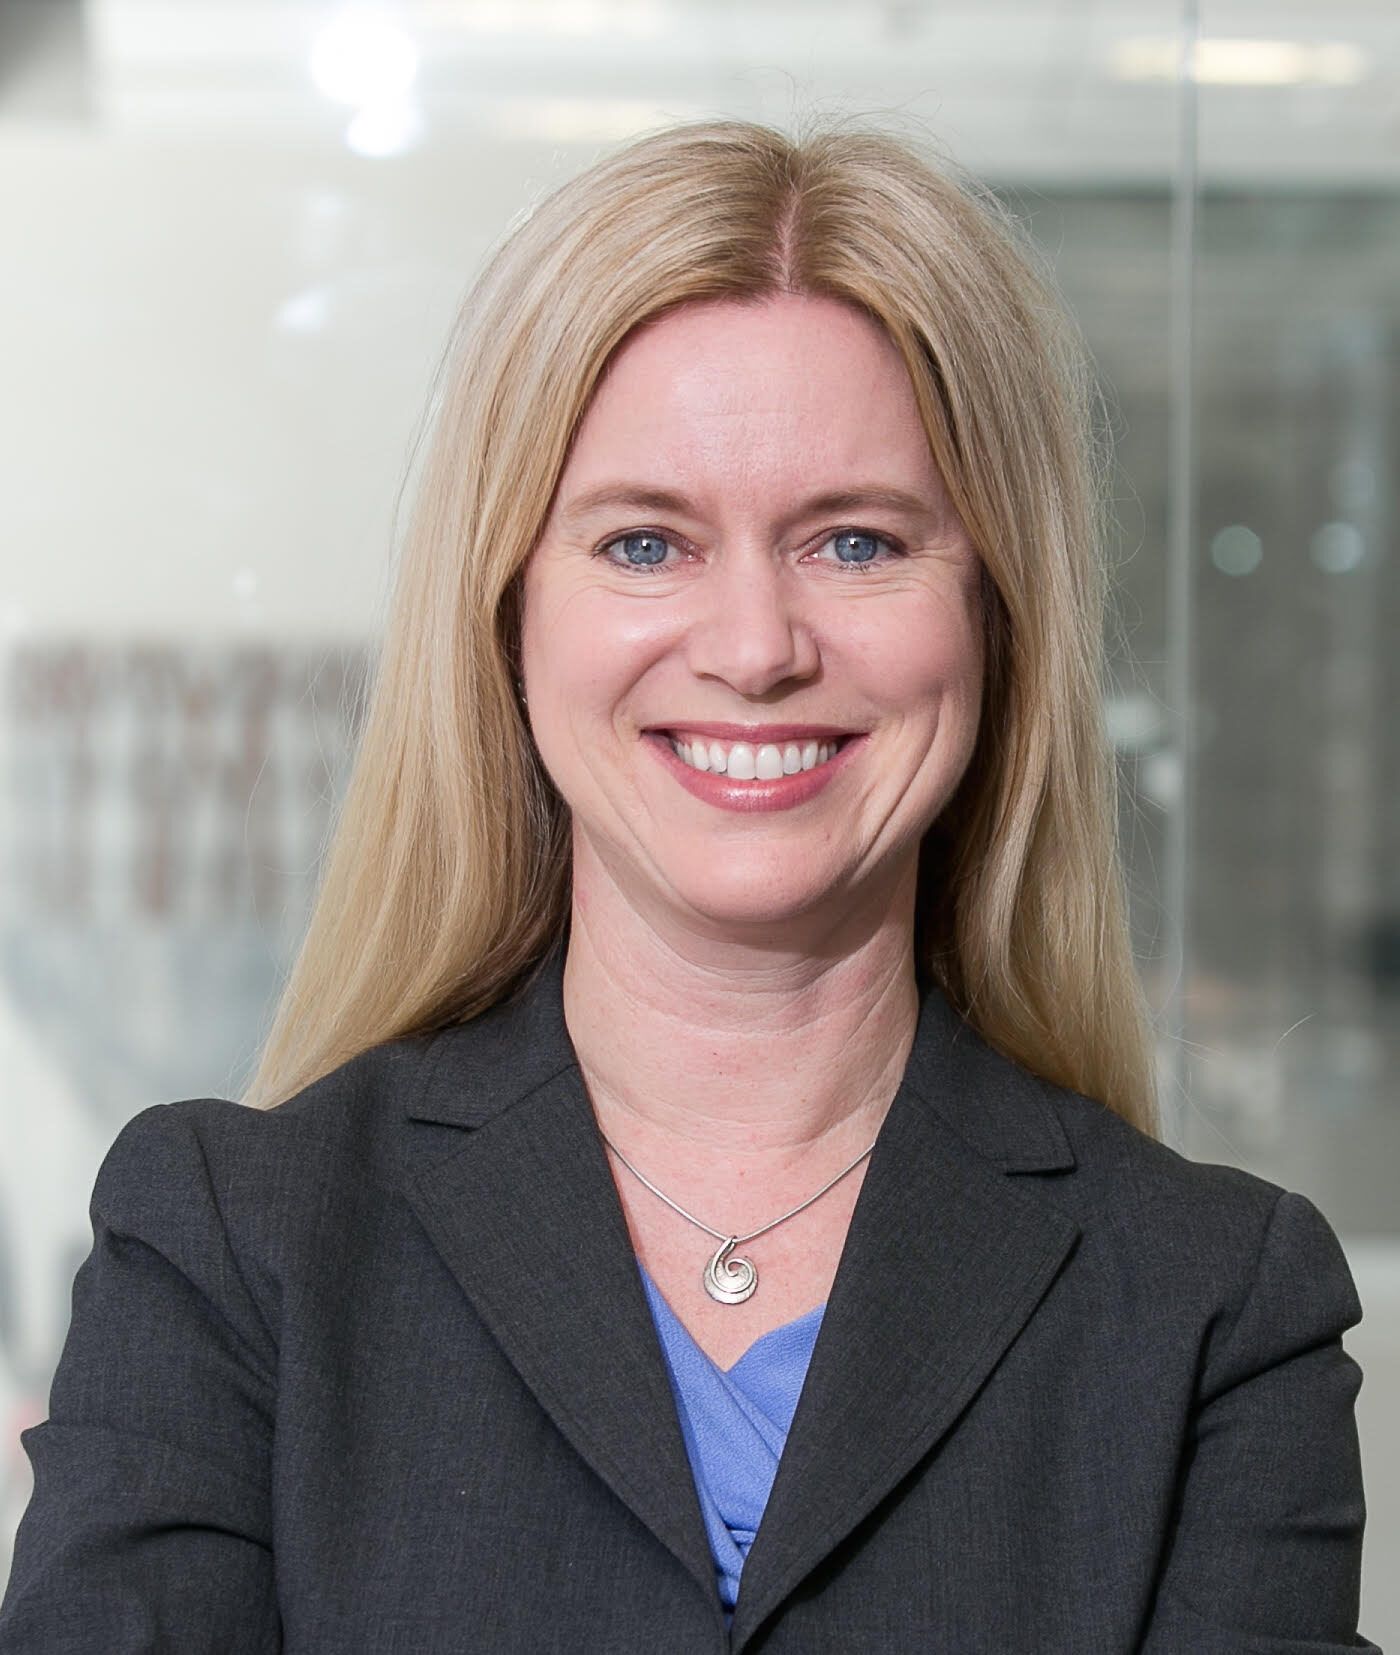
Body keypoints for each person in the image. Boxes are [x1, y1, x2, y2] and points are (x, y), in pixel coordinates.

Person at [0, 117, 1376, 1654]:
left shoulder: (1214, 1312)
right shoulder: (229, 1253)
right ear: (511, 618)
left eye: (856, 542)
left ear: (993, 618)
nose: (754, 645)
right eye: (646, 543)